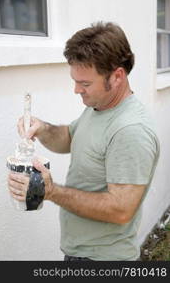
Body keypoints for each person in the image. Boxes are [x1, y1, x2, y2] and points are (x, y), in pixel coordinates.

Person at [8, 22, 160, 261]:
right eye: (75, 80)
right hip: (80, 253)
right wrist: (43, 128)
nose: (76, 90)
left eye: (85, 83)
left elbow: (121, 210)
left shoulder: (130, 131)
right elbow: (70, 138)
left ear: (117, 76)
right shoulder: (99, 106)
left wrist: (51, 192)